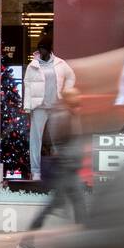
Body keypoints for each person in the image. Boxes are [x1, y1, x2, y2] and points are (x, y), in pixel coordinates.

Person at [17, 83, 87, 248]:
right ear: (69, 99)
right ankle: (25, 243)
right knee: (50, 208)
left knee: (79, 206)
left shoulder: (68, 115)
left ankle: (84, 243)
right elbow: (60, 145)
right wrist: (71, 161)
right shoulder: (63, 116)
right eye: (76, 98)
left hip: (70, 171)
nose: (79, 101)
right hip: (65, 171)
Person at [22, 39, 75, 180]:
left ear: (49, 49)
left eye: (44, 48)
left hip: (55, 106)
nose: (42, 51)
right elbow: (27, 86)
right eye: (40, 48)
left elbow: (71, 77)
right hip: (39, 107)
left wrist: (65, 92)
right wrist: (27, 105)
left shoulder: (60, 63)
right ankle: (36, 171)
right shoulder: (32, 66)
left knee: (57, 139)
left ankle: (59, 171)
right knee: (35, 139)